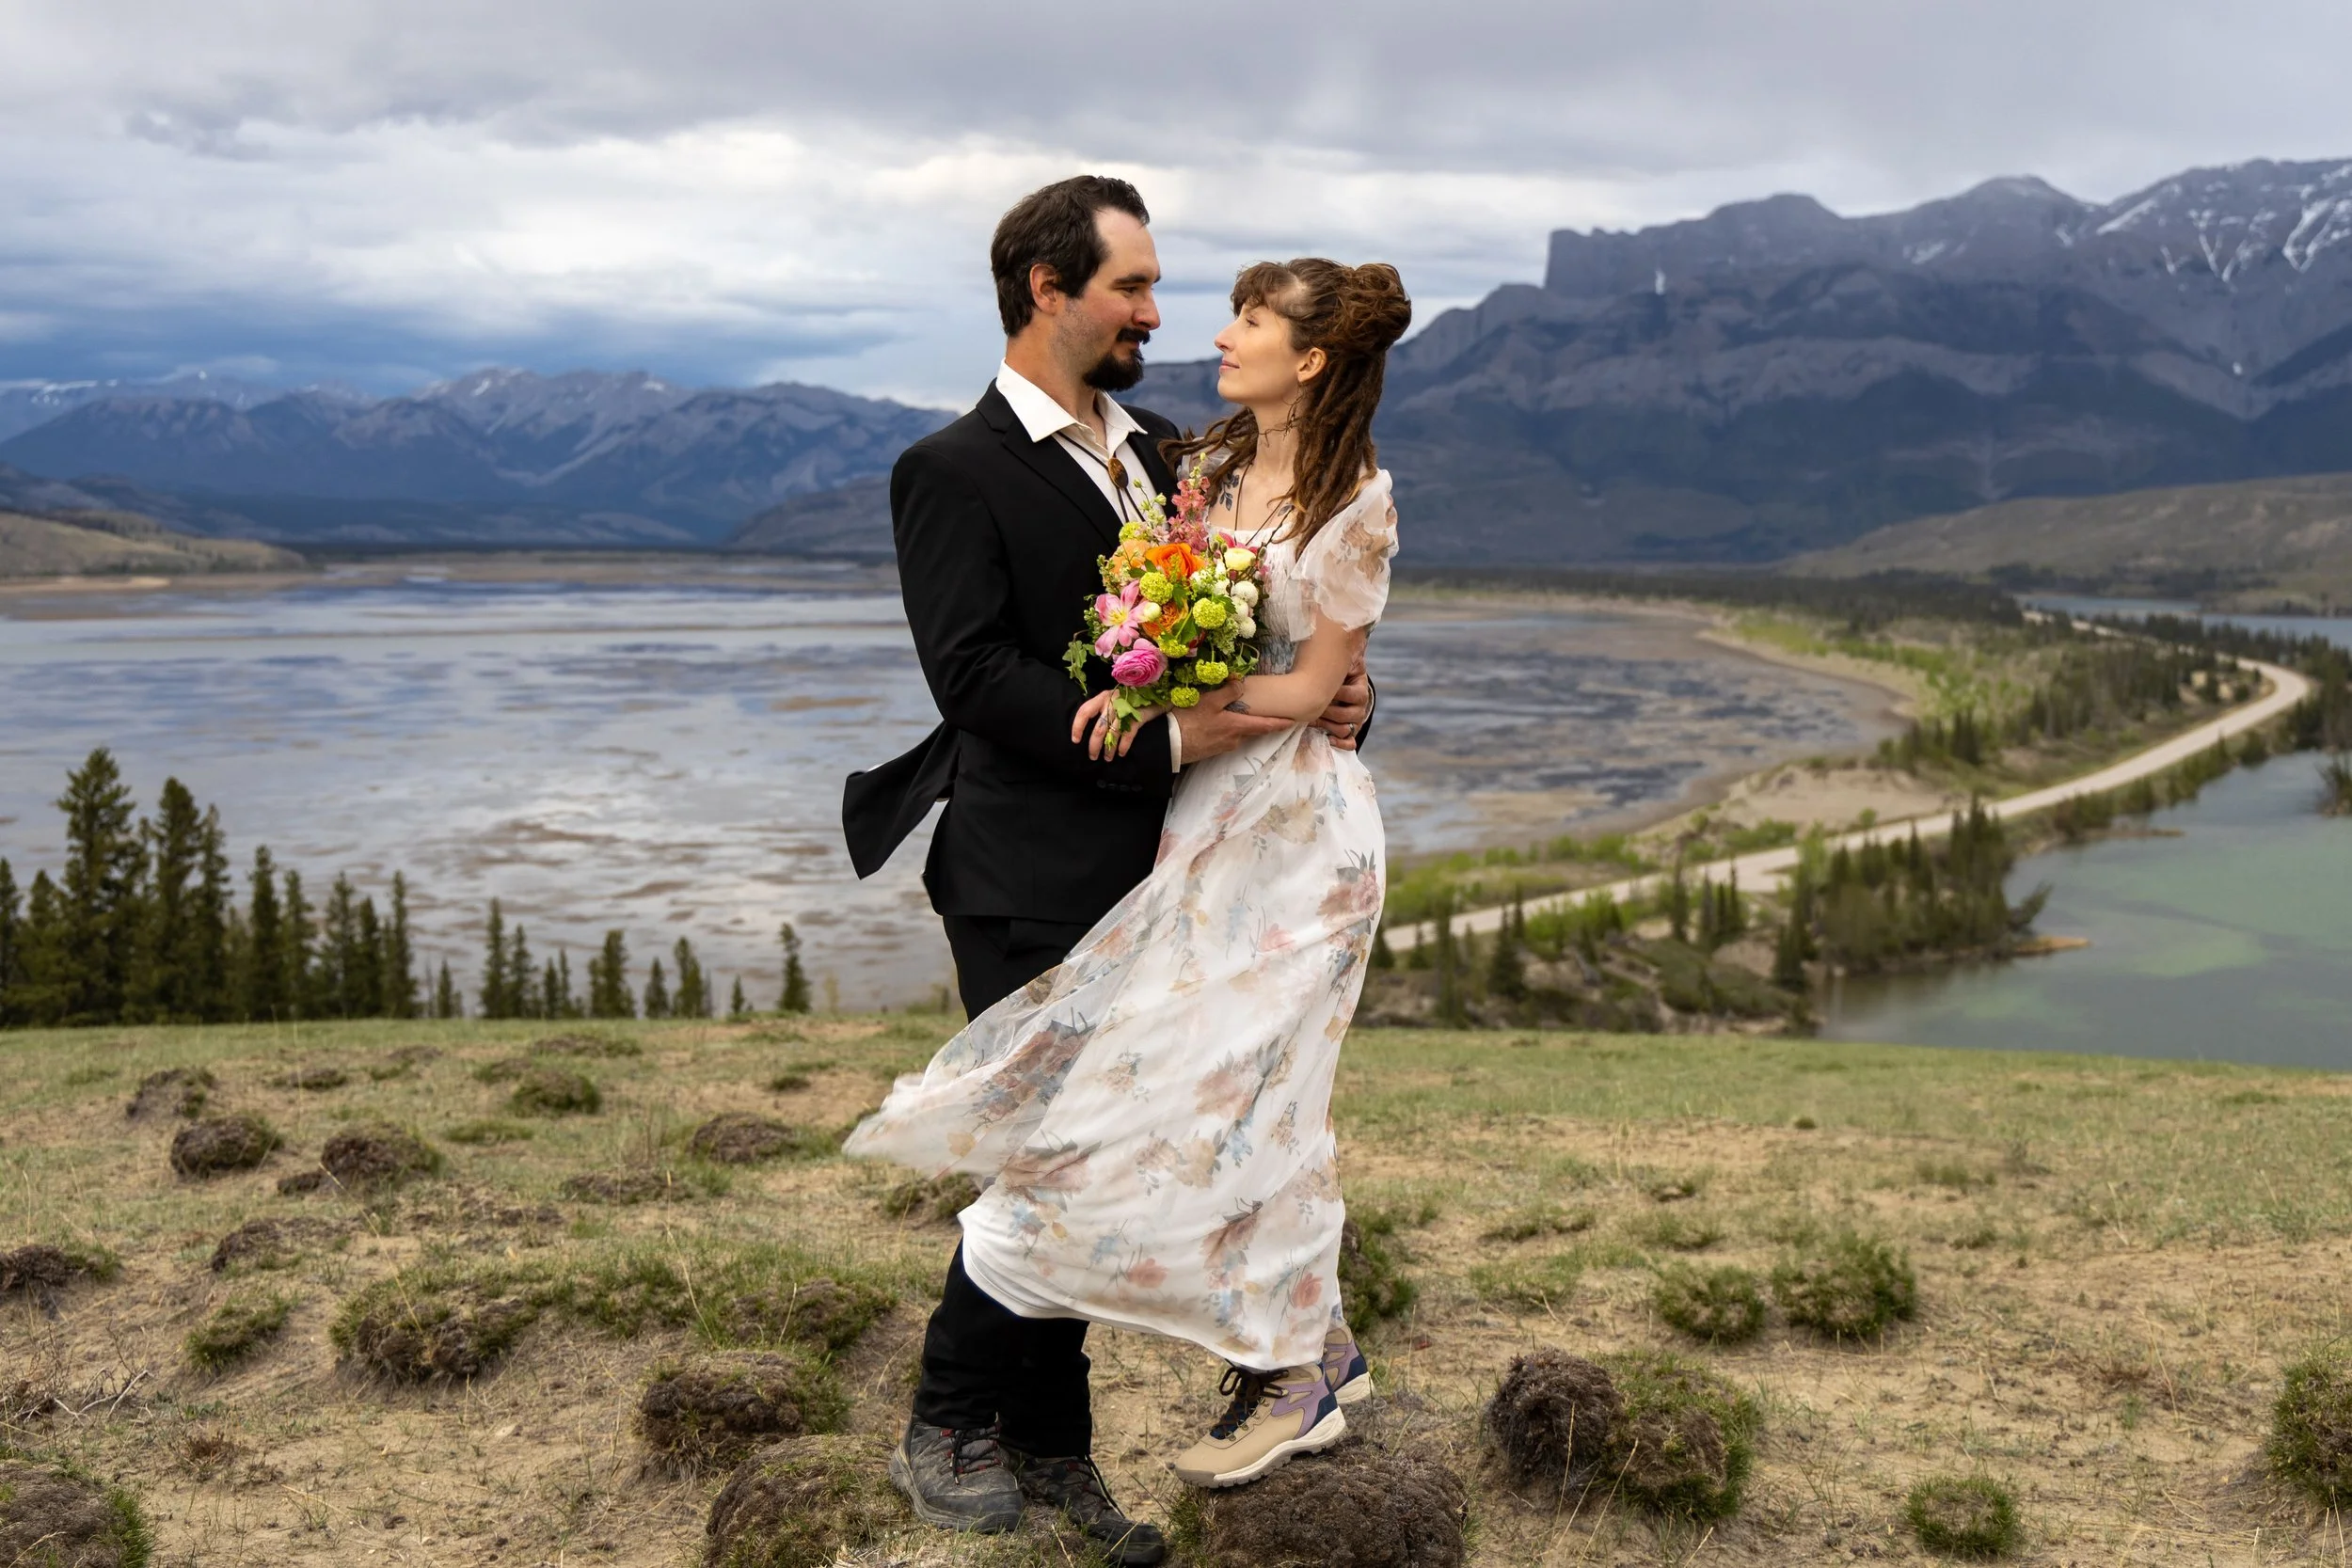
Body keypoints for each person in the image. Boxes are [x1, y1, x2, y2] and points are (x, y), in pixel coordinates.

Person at [845, 175, 1409, 1555]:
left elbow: (1274, 632)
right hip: (1028, 865)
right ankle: (953, 1420)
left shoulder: (1171, 451)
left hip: (1183, 865)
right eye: (1134, 289)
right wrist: (1174, 736)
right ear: (1049, 291)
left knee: (1111, 1156)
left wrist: (1341, 699)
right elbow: (975, 677)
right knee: (1060, 1159)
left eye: (1164, 290)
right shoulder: (950, 469)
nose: (1159, 312)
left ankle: (1052, 1448)